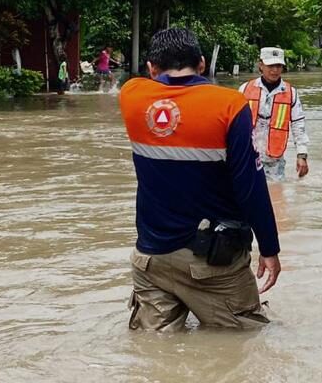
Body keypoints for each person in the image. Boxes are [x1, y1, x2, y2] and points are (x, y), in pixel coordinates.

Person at [118, 28, 280, 330]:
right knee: (248, 339)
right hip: (211, 263)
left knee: (156, 353)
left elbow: (152, 85)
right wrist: (269, 248)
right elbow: (251, 187)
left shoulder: (131, 96)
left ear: (152, 68)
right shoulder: (230, 105)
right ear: (203, 64)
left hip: (149, 259)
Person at [239, 47, 310, 181]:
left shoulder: (291, 93)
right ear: (261, 65)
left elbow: (298, 125)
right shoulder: (245, 89)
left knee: (276, 196)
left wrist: (302, 155)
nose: (275, 70)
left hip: (275, 161)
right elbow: (233, 123)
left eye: (278, 66)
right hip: (247, 156)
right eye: (271, 65)